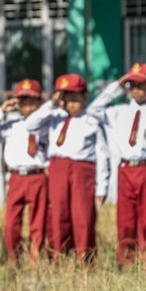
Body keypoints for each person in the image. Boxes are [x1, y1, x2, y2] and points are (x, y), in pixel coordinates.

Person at [86, 63, 146, 270]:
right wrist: (118, 85)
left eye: (141, 85)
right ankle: (126, 260)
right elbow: (93, 109)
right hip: (125, 169)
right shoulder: (117, 112)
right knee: (125, 219)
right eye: (132, 85)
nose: (136, 90)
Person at [22, 74, 110, 265]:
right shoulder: (54, 116)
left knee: (83, 215)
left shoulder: (91, 122)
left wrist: (102, 186)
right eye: (66, 98)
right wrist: (51, 105)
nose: (70, 104)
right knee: (58, 213)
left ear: (85, 96)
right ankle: (59, 258)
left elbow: (103, 156)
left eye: (75, 98)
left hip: (82, 169)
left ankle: (85, 260)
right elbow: (30, 125)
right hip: (58, 168)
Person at [0, 79, 49, 265]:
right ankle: (15, 258)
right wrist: (2, 111)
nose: (27, 106)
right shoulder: (11, 124)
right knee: (11, 222)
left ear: (39, 102)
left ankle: (35, 258)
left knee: (38, 220)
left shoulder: (46, 124)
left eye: (32, 101)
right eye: (23, 101)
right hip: (16, 177)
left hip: (37, 176)